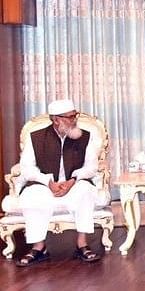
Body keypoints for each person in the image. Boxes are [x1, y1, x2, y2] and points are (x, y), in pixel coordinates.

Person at [16, 99, 102, 267]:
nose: (74, 119)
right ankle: (39, 247)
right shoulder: (36, 138)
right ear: (56, 120)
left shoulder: (84, 137)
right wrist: (47, 182)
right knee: (30, 196)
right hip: (45, 186)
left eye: (75, 115)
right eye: (70, 117)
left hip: (74, 184)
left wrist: (73, 180)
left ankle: (82, 244)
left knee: (86, 191)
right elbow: (27, 169)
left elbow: (92, 167)